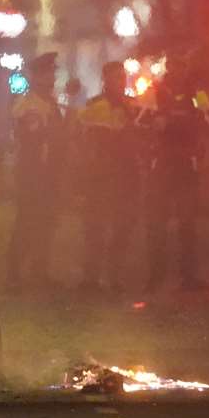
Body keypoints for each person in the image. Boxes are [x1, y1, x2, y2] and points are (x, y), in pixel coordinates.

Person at [137, 54, 209, 292]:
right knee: (157, 223)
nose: (178, 70)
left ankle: (188, 276)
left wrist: (182, 123)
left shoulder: (196, 93)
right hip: (161, 164)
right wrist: (157, 123)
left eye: (182, 66)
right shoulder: (154, 91)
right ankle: (155, 276)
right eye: (174, 66)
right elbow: (140, 121)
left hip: (186, 165)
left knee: (187, 224)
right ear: (169, 67)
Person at [76, 60, 138, 291]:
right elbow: (90, 141)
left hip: (127, 174)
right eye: (115, 78)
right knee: (95, 228)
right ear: (106, 80)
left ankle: (114, 276)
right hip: (101, 176)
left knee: (123, 226)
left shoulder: (133, 105)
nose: (120, 82)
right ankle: (91, 277)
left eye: (122, 78)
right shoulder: (95, 105)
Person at [6, 53, 63, 290]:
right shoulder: (28, 105)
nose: (52, 77)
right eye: (47, 73)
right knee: (27, 221)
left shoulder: (50, 103)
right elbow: (33, 138)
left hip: (49, 172)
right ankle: (14, 273)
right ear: (36, 76)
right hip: (32, 172)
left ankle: (40, 270)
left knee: (46, 222)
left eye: (52, 72)